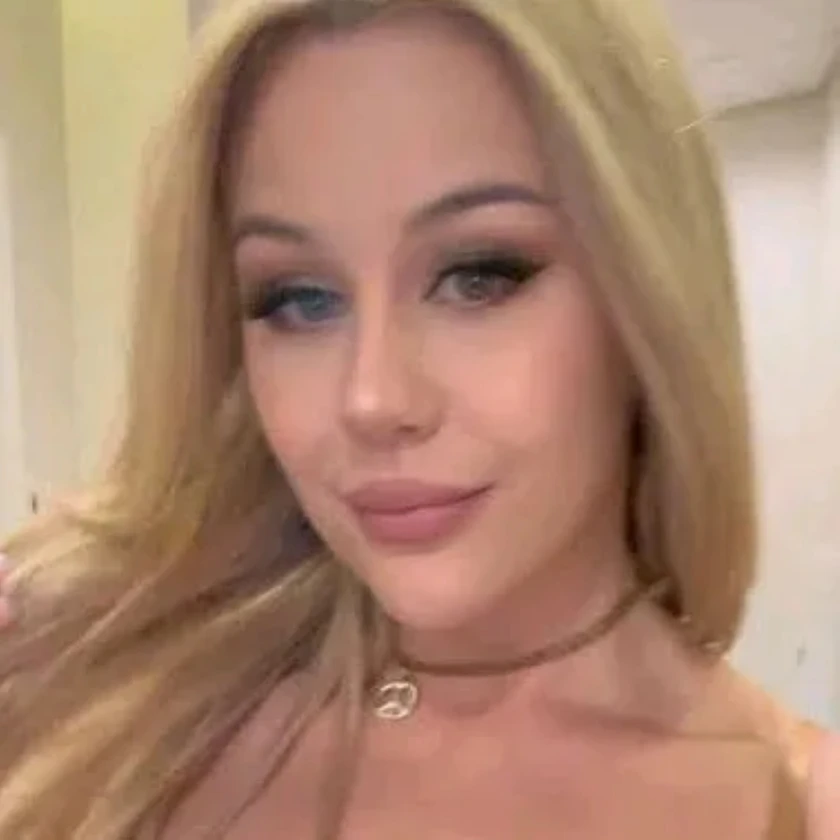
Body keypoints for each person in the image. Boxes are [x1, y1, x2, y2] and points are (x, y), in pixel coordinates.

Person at [0, 0, 837, 837]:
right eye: (300, 298)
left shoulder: (788, 803)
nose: (372, 400)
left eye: (480, 276)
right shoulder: (104, 706)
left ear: (648, 295)